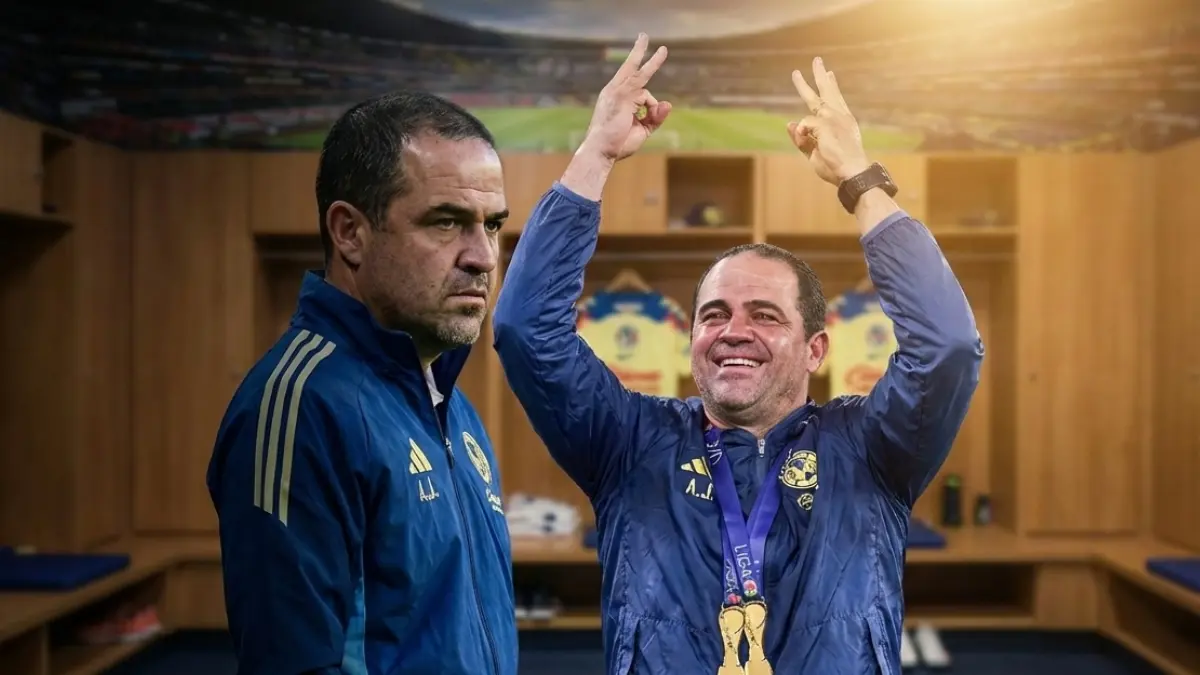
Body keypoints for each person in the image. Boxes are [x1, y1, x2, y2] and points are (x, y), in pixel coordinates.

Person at [493, 35, 983, 674]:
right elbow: (527, 330)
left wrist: (861, 181)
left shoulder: (872, 447)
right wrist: (595, 156)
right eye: (714, 314)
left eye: (765, 316)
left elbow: (946, 346)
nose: (733, 331)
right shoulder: (630, 442)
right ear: (692, 338)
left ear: (815, 349)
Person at [207, 91, 517, 675]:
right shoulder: (300, 406)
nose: (482, 257)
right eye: (446, 222)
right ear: (349, 231)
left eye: (492, 225)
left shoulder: (449, 403)